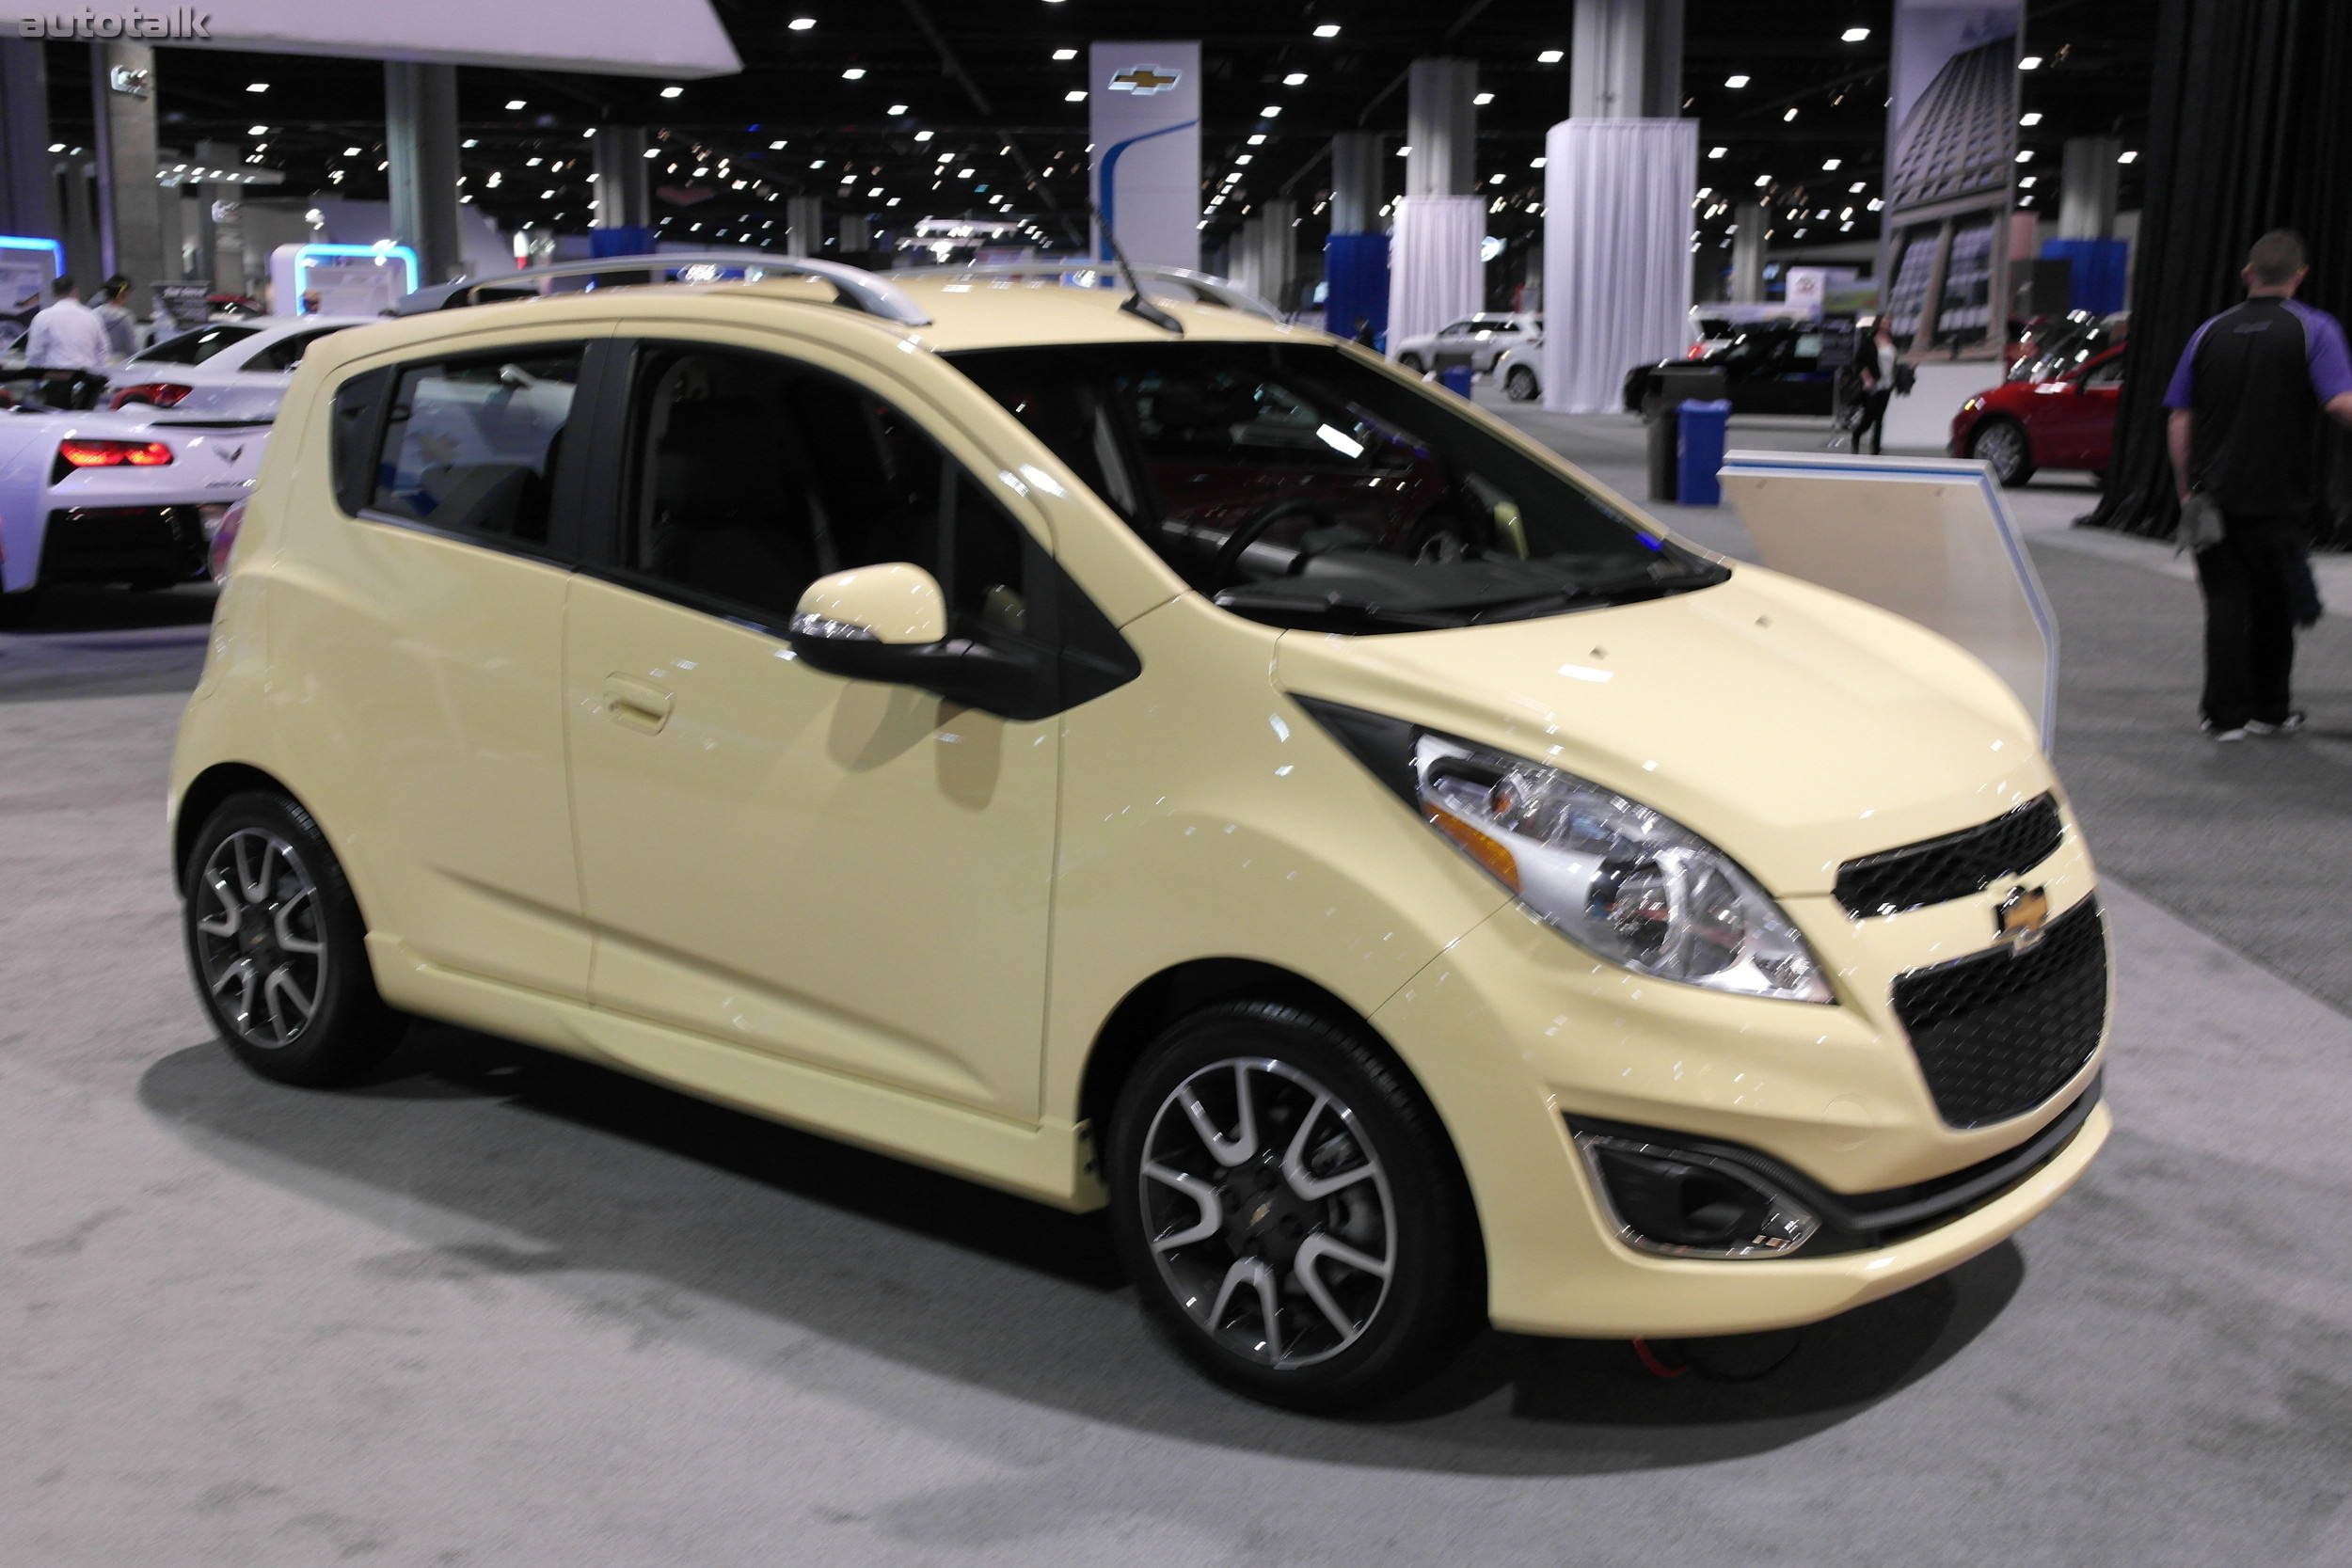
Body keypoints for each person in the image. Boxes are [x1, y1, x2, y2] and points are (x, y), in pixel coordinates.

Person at [2164, 229, 2352, 742]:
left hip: (2214, 496)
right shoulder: (2316, 329)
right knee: (2275, 604)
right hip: (2280, 496)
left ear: (2248, 275)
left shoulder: (2208, 332)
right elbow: (2339, 404)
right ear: (2300, 276)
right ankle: (2269, 710)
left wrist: (2186, 491)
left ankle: (2223, 717)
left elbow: (2181, 417)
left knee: (2225, 602)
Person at [23, 275, 112, 408]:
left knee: (57, 423)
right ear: (75, 291)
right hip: (87, 382)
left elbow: (35, 353)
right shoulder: (92, 316)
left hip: (56, 381)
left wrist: (36, 380)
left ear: (53, 293)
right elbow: (104, 350)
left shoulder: (43, 317)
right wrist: (94, 371)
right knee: (85, 423)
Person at [1850, 316, 1898, 455]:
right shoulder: (1869, 342)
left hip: (1887, 384)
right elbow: (1859, 362)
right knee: (1869, 417)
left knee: (1880, 417)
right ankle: (1857, 434)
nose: (1886, 325)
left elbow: (1893, 362)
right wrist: (1867, 378)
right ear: (1878, 324)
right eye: (1883, 322)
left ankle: (1876, 448)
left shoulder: (1891, 342)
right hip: (1872, 384)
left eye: (1888, 323)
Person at [91, 275, 139, 361]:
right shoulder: (126, 317)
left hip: (97, 363)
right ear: (121, 295)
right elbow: (132, 349)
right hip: (121, 364)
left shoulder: (93, 314)